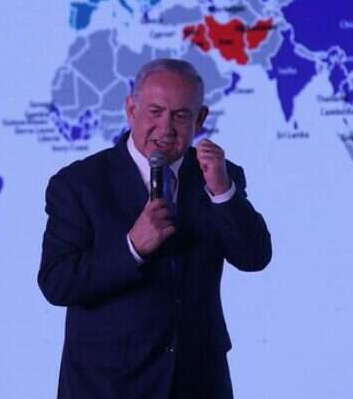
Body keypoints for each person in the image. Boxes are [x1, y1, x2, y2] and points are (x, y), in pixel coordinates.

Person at [38, 58, 272, 399]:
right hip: (106, 386)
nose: (166, 128)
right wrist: (131, 248)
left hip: (199, 383)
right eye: (155, 112)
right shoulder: (78, 183)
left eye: (180, 115)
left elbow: (254, 256)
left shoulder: (221, 176)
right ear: (131, 109)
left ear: (200, 119)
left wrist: (223, 193)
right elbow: (57, 282)